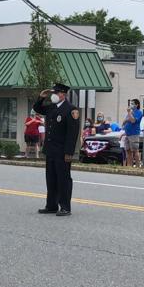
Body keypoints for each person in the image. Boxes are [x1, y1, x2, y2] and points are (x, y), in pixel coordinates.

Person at [33, 83, 80, 216]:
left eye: (56, 93)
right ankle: (51, 205)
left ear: (63, 94)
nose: (54, 95)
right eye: (53, 93)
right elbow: (37, 108)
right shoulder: (52, 108)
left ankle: (65, 207)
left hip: (62, 151)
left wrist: (69, 152)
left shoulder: (71, 109)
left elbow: (72, 134)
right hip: (51, 149)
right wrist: (41, 97)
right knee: (51, 178)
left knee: (63, 179)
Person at [122, 98, 143, 168]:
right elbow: (125, 121)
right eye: (131, 103)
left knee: (135, 150)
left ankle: (137, 166)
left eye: (133, 103)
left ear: (137, 105)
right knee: (128, 150)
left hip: (134, 134)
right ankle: (129, 166)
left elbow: (133, 121)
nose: (131, 105)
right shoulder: (131, 112)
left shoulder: (139, 112)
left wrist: (129, 113)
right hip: (128, 134)